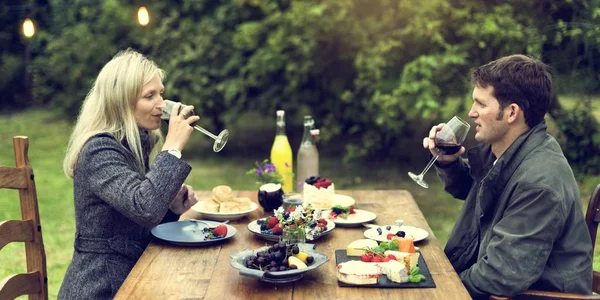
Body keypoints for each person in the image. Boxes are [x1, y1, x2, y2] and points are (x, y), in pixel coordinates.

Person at [423, 54, 593, 298]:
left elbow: (501, 274)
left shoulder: (539, 183)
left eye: (481, 104)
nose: (471, 113)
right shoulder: (504, 152)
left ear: (512, 112)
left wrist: (443, 287)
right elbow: (474, 188)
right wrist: (448, 163)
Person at [58, 49, 200, 299]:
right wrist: (173, 147)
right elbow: (144, 208)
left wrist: (172, 210)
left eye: (161, 93)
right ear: (120, 102)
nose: (162, 104)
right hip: (100, 286)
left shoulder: (132, 145)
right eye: (149, 96)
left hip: (131, 276)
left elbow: (138, 222)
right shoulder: (99, 150)